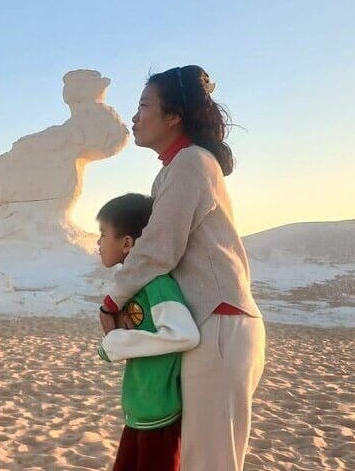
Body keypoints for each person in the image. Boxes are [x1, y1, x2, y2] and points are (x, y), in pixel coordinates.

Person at [99, 65, 266, 471]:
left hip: (221, 322)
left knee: (211, 463)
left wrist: (111, 301)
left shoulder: (192, 162)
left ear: (173, 116)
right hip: (212, 325)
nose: (135, 116)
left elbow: (159, 248)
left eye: (144, 106)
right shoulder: (174, 170)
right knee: (197, 458)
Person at [95, 193, 200, 471]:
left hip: (160, 414)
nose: (98, 243)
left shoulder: (157, 284)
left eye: (103, 234)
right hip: (138, 409)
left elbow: (185, 335)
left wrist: (118, 343)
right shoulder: (131, 288)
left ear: (127, 243)